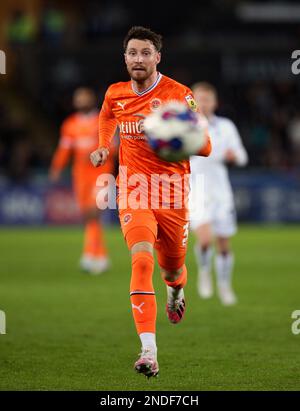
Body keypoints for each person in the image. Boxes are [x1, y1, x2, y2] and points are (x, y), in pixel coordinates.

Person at [90, 26, 211, 378]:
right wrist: (103, 146)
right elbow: (107, 117)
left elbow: (205, 145)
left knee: (172, 270)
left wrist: (168, 131)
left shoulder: (178, 94)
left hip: (172, 193)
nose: (138, 59)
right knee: (140, 260)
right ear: (125, 58)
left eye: (145, 53)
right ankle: (149, 351)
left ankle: (176, 292)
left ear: (158, 57)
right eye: (132, 53)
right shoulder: (115, 93)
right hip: (134, 190)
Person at [189, 82, 248, 306]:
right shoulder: (185, 126)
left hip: (221, 191)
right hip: (197, 190)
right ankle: (204, 272)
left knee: (223, 244)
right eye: (198, 99)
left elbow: (242, 156)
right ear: (191, 102)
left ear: (214, 102)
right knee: (205, 240)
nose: (202, 103)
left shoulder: (226, 127)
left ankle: (224, 285)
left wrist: (235, 156)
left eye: (207, 99)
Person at [49, 87, 114, 274]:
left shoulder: (102, 121)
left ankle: (93, 255)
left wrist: (98, 154)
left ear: (91, 100)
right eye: (78, 98)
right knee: (88, 216)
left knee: (94, 213)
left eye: (84, 97)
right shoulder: (70, 125)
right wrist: (56, 167)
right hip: (80, 176)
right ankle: (97, 255)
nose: (81, 101)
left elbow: (115, 148)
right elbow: (64, 149)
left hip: (101, 173)